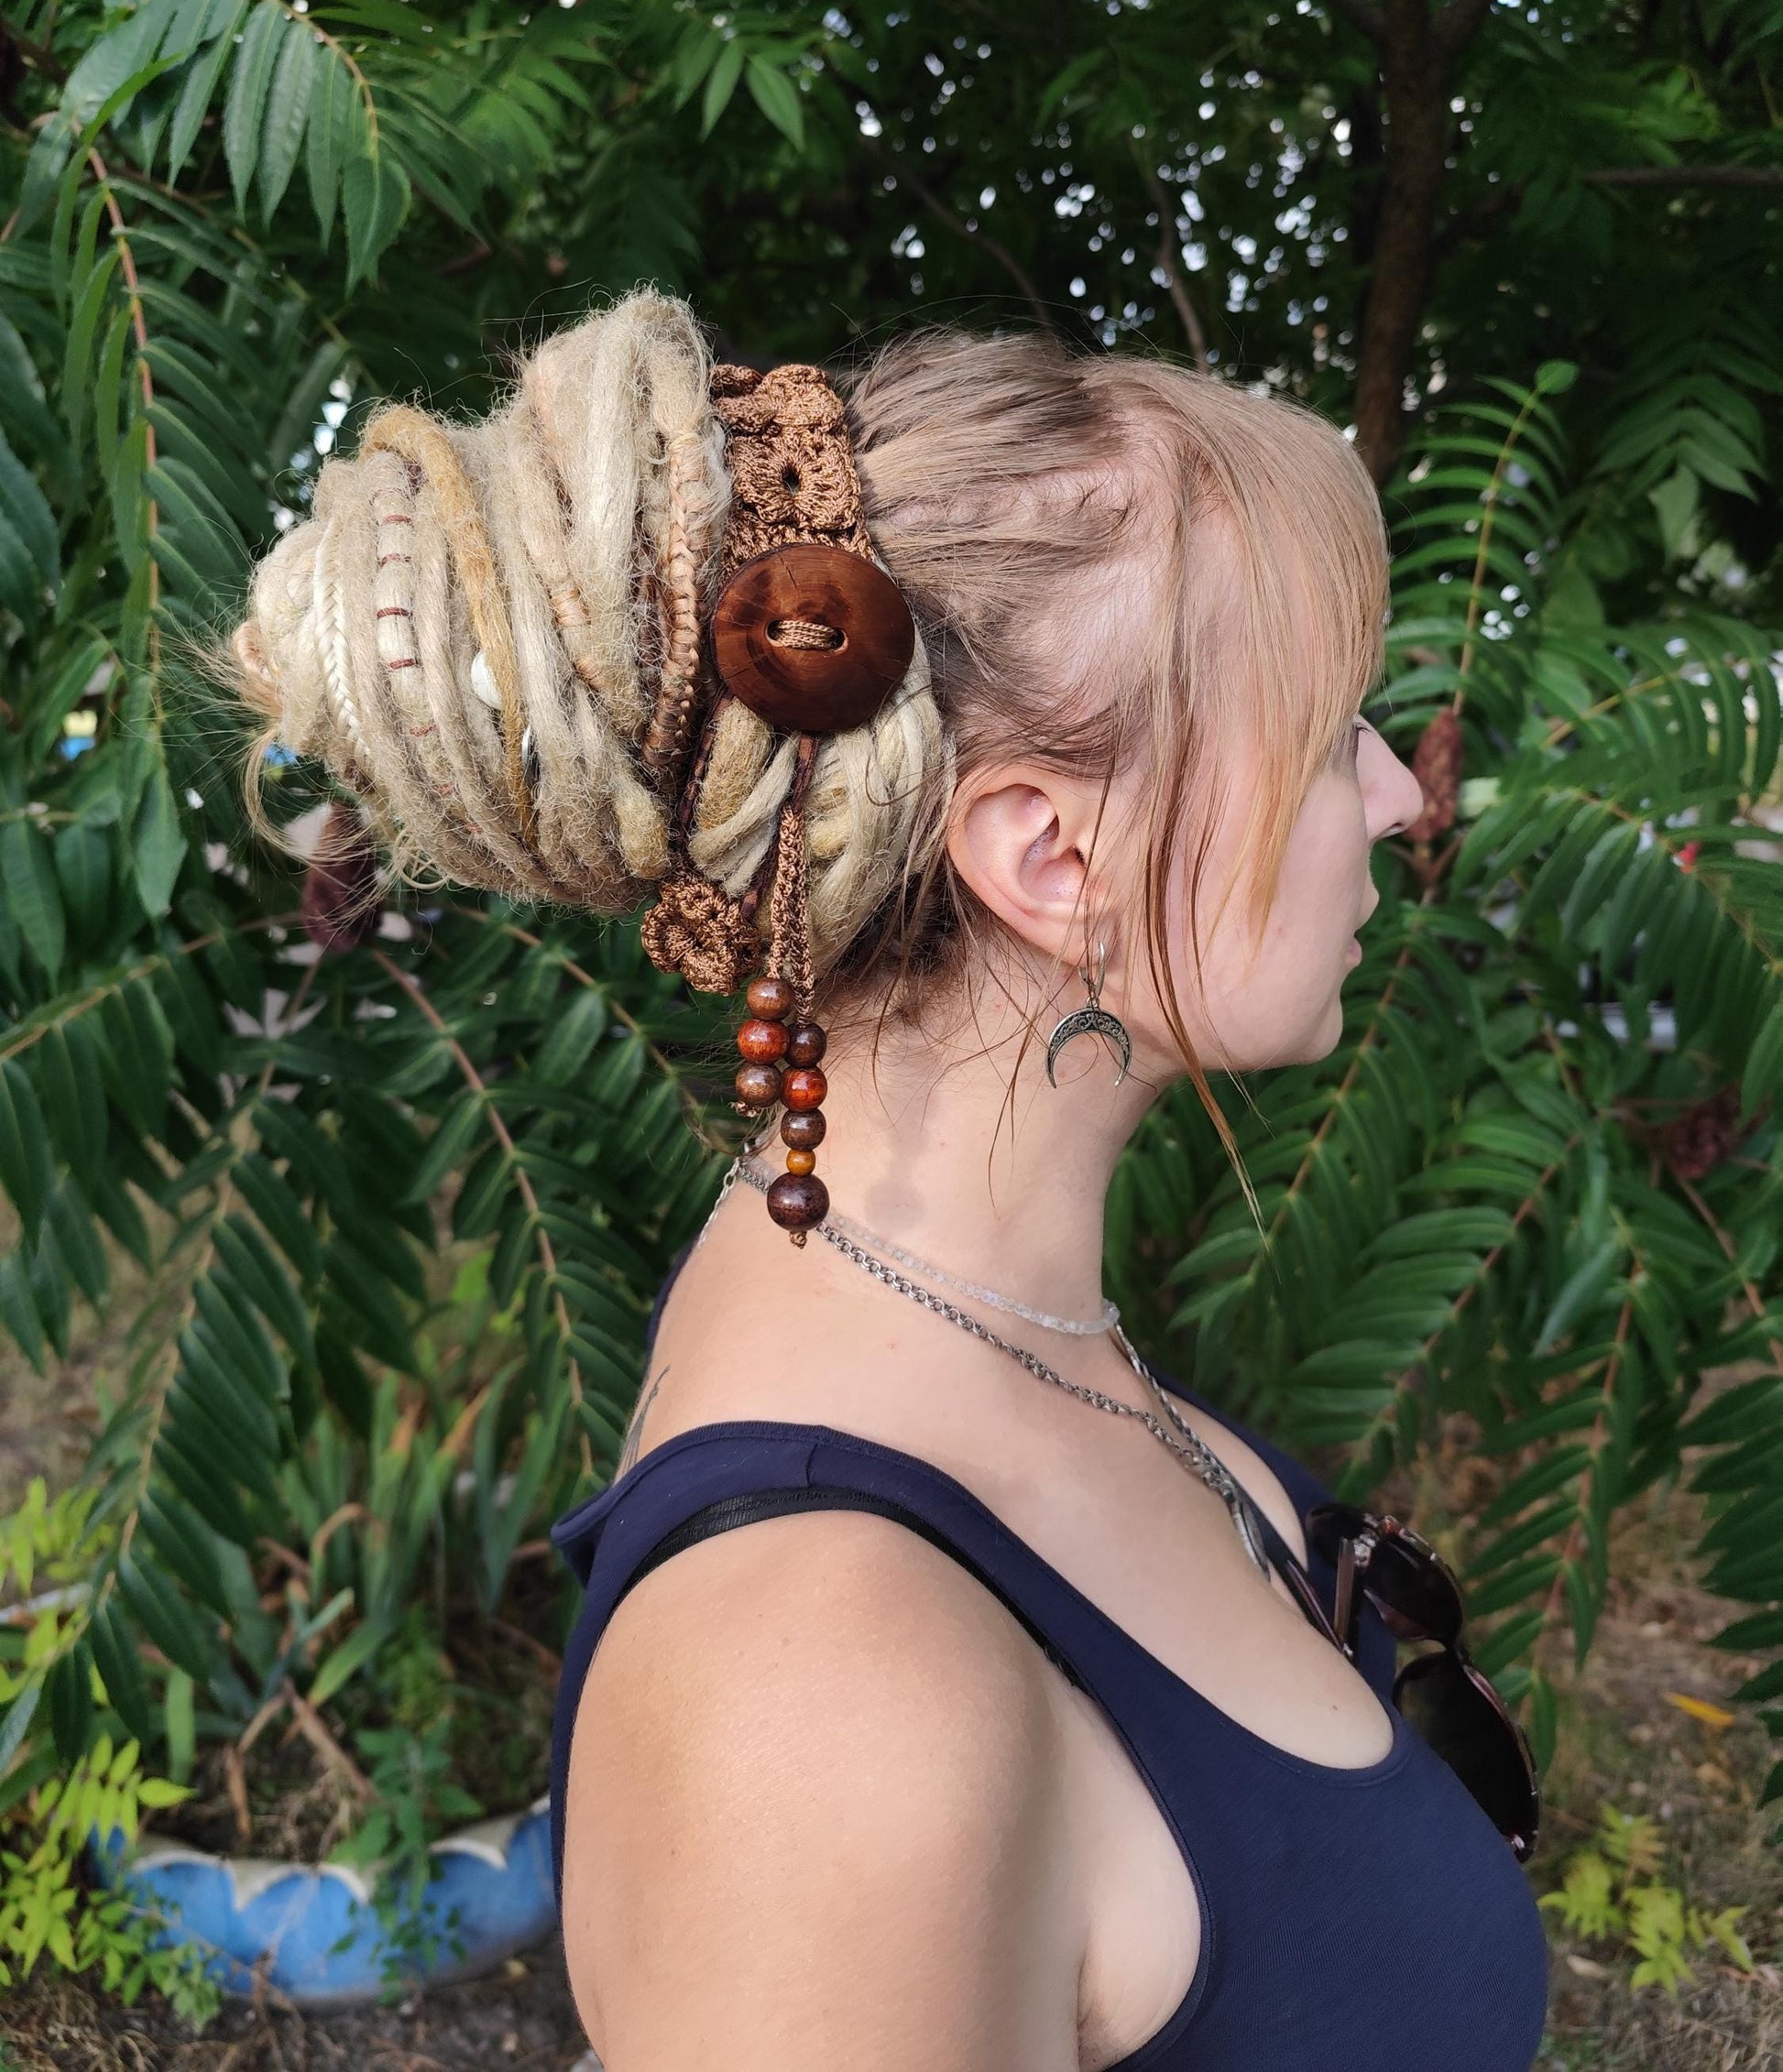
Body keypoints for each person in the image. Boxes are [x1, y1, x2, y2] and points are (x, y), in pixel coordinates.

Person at [230, 290, 1548, 2071]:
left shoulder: (964, 1301)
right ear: (1052, 853)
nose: (1399, 793)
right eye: (1330, 732)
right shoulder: (825, 1685)